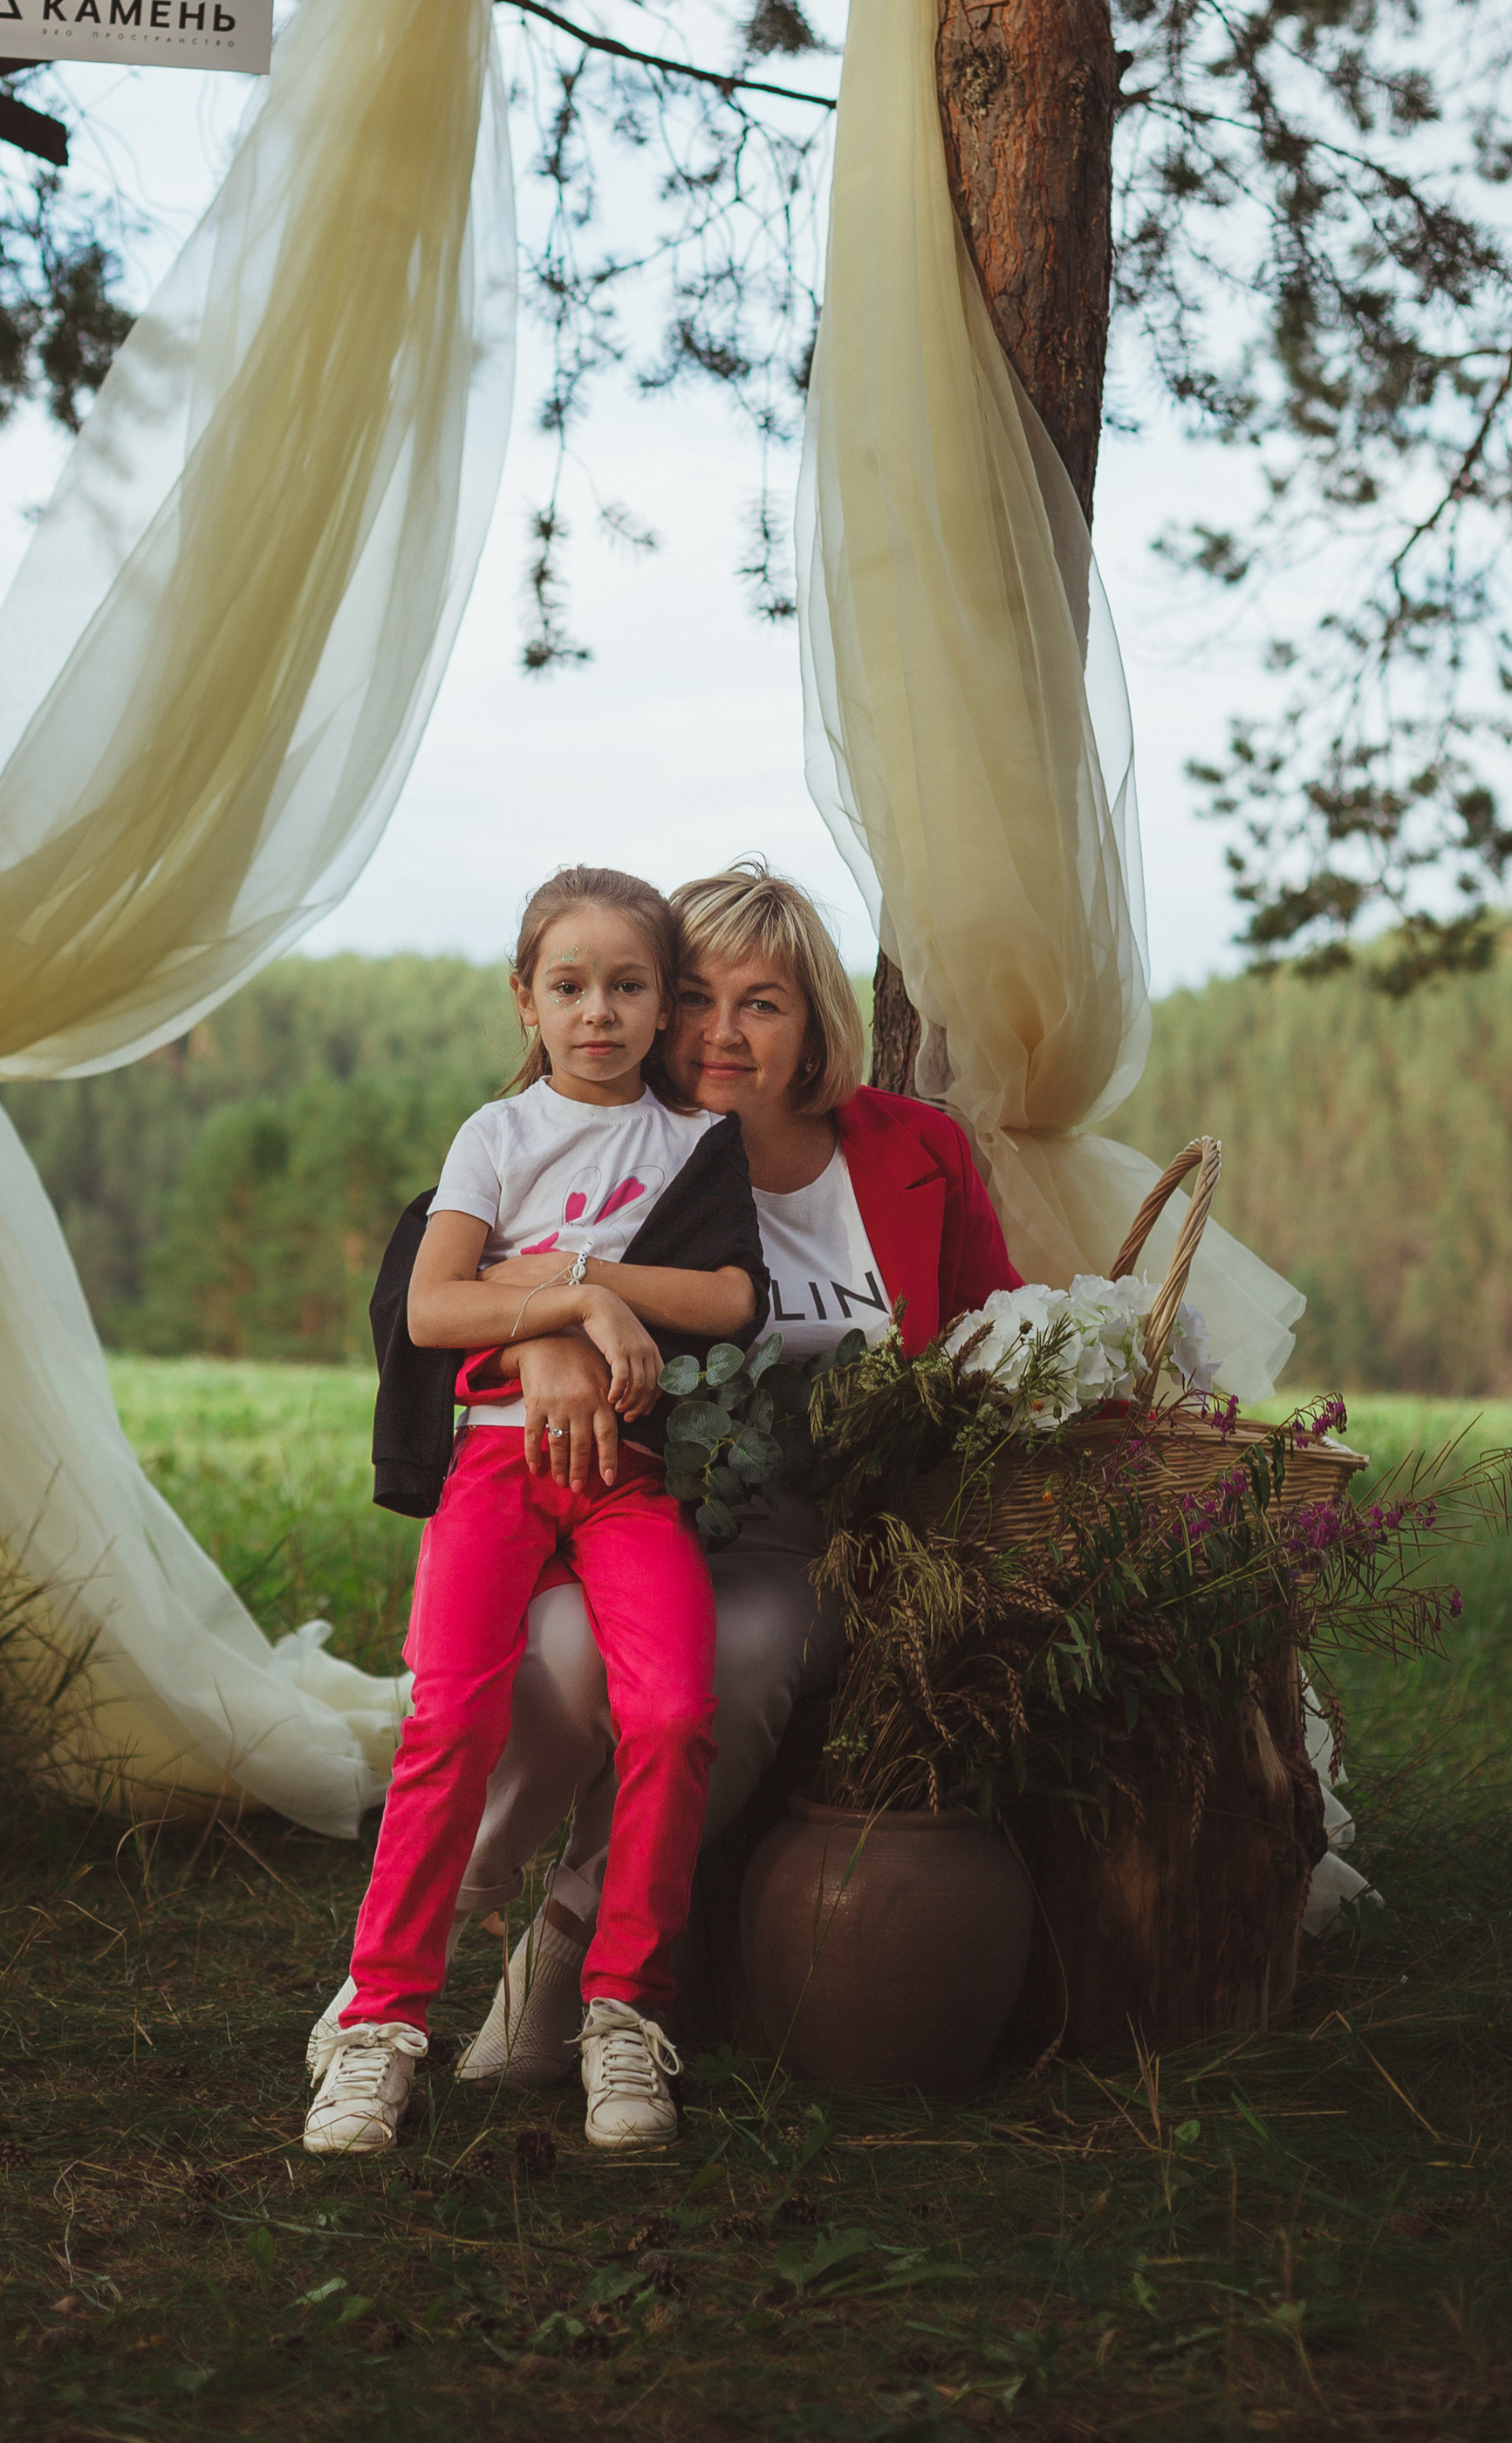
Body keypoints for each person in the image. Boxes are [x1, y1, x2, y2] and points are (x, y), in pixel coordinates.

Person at [447, 864, 1022, 2083]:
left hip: (807, 1532)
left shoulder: (915, 1152)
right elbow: (445, 1269)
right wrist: (548, 1325)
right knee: (560, 1657)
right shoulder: (612, 1147)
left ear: (815, 1021)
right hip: (617, 1504)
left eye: (761, 1004)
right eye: (695, 997)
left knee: (736, 1654)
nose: (719, 1033)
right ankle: (441, 1909)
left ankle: (568, 1953)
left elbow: (990, 1333)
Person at [302, 866, 762, 2159]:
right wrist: (573, 1306)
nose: (599, 1013)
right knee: (448, 1713)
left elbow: (731, 1300)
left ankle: (622, 2016)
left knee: (673, 1710)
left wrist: (578, 1278)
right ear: (527, 1001)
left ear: (666, 1005)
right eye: (570, 987)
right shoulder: (495, 1140)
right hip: (499, 1464)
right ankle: (380, 2027)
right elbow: (436, 1308)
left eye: (628, 988)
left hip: (629, 1476)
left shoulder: (692, 1147)